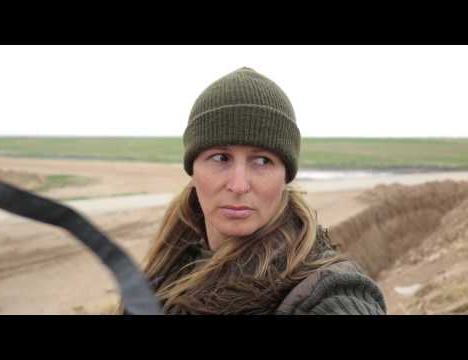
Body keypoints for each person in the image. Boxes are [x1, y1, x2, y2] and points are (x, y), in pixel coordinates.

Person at [116, 67, 387, 315]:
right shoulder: (165, 271)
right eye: (220, 158)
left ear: (285, 176)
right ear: (193, 169)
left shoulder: (324, 294)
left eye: (261, 161)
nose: (238, 185)